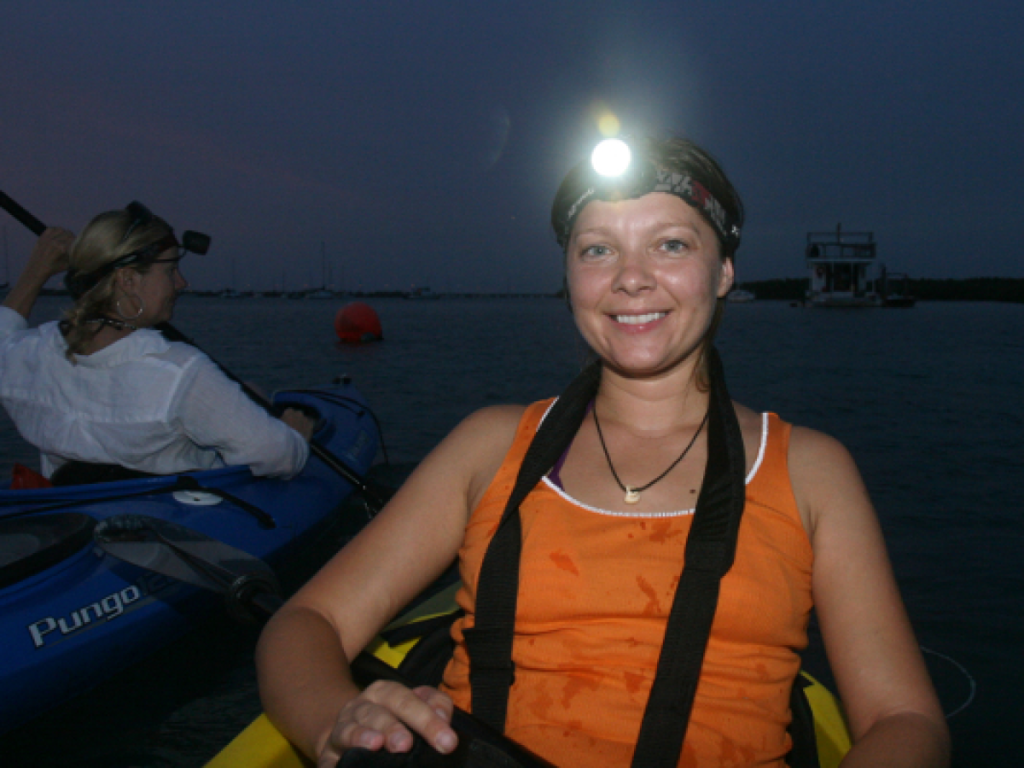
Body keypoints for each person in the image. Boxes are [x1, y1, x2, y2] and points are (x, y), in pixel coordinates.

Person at [255, 137, 950, 767]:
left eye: (671, 245)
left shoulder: (810, 471)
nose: (631, 277)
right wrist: (331, 720)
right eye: (597, 249)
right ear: (569, 279)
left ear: (725, 272)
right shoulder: (490, 446)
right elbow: (304, 623)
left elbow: (905, 719)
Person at [0, 202, 316, 482]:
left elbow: (4, 337)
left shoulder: (35, 352)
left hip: (77, 510)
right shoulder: (181, 373)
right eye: (170, 269)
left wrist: (36, 271)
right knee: (255, 398)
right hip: (174, 519)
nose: (181, 282)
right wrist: (294, 438)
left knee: (248, 392)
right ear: (126, 280)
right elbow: (277, 457)